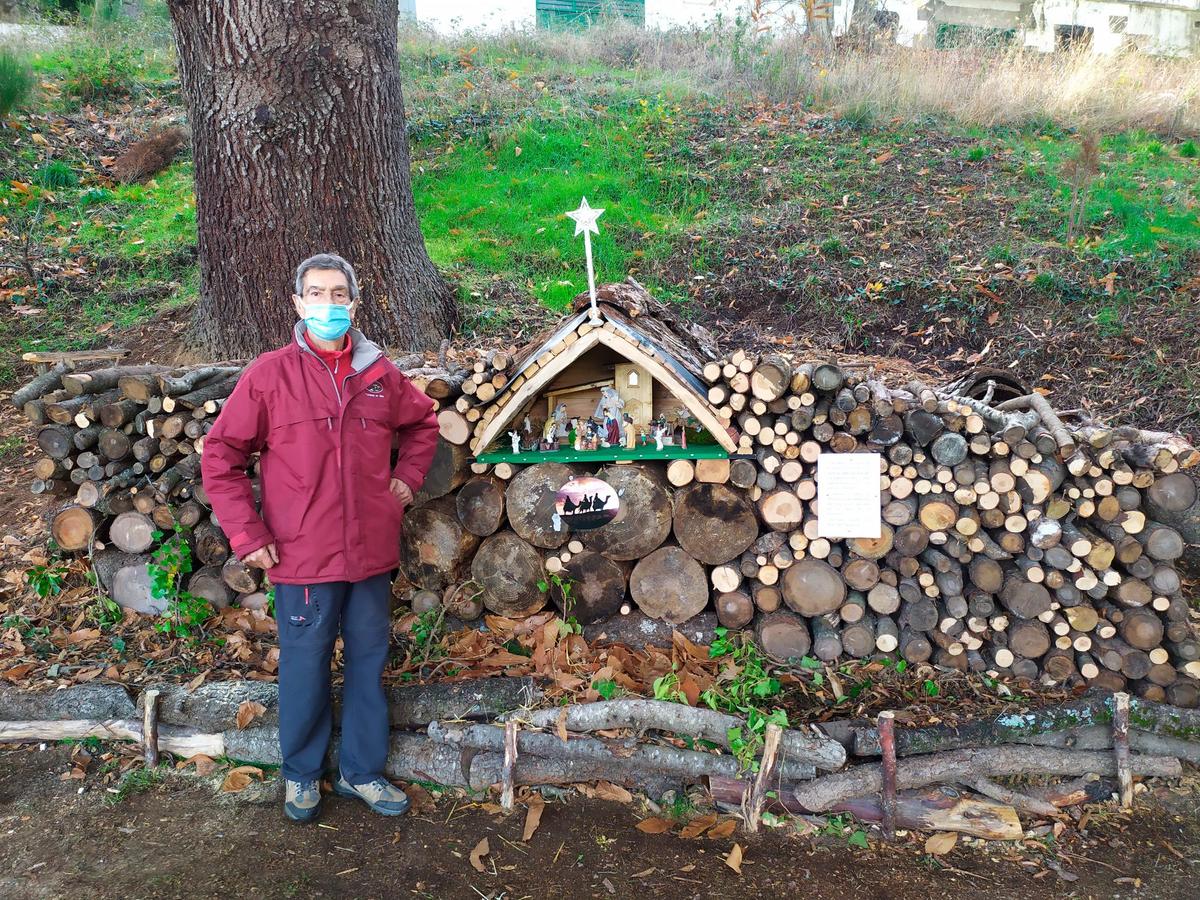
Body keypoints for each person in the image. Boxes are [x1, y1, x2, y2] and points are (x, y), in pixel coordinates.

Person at [200, 253, 439, 824]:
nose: (327, 305)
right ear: (297, 303)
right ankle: (302, 775)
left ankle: (363, 772)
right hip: (301, 553)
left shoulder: (379, 375)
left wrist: (406, 479)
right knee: (305, 665)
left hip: (370, 552)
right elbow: (221, 455)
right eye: (316, 294)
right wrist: (246, 531)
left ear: (354, 304)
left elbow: (423, 424)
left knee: (367, 660)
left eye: (338, 295)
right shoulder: (270, 374)